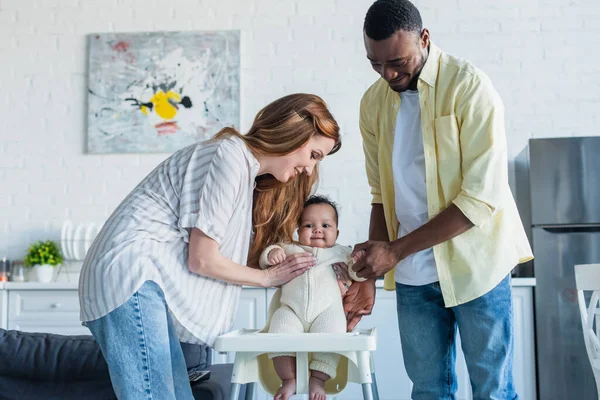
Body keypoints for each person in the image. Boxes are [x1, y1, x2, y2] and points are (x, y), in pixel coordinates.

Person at [78, 93, 342, 399]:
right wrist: (268, 278)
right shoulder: (229, 156)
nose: (310, 170)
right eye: (314, 155)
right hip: (130, 276)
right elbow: (203, 259)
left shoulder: (243, 171)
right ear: (294, 134)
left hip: (139, 281)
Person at [343, 1, 534, 399]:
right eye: (375, 64)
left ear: (424, 38)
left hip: (477, 266)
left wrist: (395, 251)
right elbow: (381, 194)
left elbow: (481, 198)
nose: (388, 74)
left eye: (397, 61)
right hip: (414, 276)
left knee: (492, 390)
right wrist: (371, 271)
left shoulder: (469, 87)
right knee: (429, 390)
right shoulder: (373, 103)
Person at [259, 195, 364, 400]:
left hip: (328, 311)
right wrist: (272, 255)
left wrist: (358, 265)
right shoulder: (290, 248)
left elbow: (357, 272)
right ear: (298, 230)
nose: (317, 230)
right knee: (279, 329)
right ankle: (289, 379)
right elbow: (266, 258)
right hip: (292, 309)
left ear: (337, 232)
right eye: (308, 225)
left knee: (333, 334)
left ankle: (318, 379)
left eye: (325, 225)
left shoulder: (342, 253)